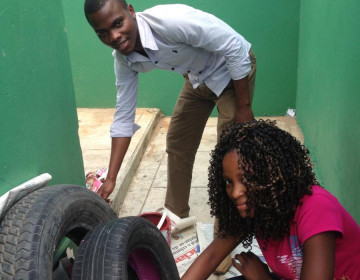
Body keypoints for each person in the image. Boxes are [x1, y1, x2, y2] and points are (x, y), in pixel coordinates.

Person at [83, 0, 256, 221]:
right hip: (198, 77)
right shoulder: (123, 59)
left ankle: (231, 224)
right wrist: (111, 179)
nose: (114, 36)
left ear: (131, 11)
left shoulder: (170, 21)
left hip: (232, 69)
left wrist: (244, 108)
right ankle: (176, 215)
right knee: (177, 140)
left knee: (230, 151)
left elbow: (235, 47)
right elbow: (123, 118)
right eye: (103, 33)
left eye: (118, 23)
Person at [181, 119, 360, 280]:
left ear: (272, 175)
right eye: (229, 182)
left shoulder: (316, 208)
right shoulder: (255, 208)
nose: (235, 193)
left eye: (246, 179)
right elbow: (211, 257)